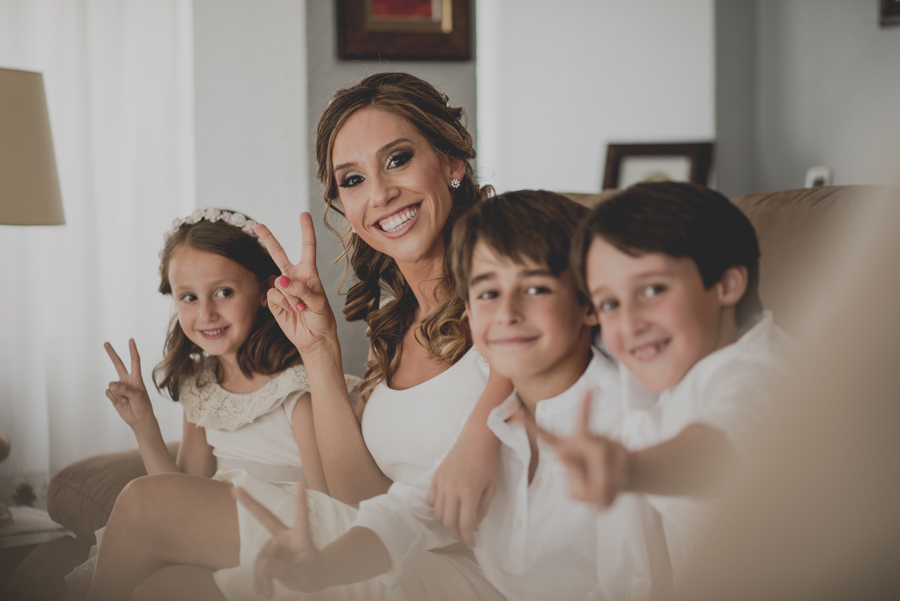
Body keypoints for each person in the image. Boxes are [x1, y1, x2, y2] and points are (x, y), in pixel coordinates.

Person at [85, 72, 507, 601]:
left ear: (451, 162)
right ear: (345, 208)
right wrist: (318, 349)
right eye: (352, 180)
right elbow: (361, 502)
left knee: (148, 505)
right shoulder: (396, 335)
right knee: (169, 585)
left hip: (480, 577)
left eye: (397, 159)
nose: (379, 193)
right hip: (395, 545)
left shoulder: (510, 305)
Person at [234, 190, 672, 601]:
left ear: (590, 304)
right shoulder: (493, 422)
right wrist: (324, 566)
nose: (506, 313)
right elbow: (409, 514)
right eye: (487, 293)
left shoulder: (633, 416)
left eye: (535, 288)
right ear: (468, 311)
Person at [65, 208, 355, 599]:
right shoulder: (200, 384)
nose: (206, 313)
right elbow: (183, 491)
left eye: (224, 292)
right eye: (188, 297)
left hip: (290, 528)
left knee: (138, 498)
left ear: (265, 290)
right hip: (218, 528)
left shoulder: (299, 389)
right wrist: (144, 425)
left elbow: (331, 507)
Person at [541, 182, 795, 581]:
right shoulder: (677, 350)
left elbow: (715, 450)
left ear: (727, 284)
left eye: (653, 289)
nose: (628, 323)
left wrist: (629, 468)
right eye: (609, 302)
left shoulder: (758, 375)